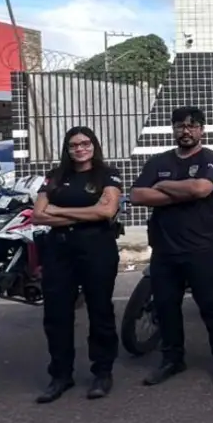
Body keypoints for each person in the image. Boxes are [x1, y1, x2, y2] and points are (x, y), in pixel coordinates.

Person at [129, 106, 213, 387]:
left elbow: (202, 189)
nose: (185, 131)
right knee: (166, 307)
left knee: (211, 306)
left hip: (201, 248)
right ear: (173, 129)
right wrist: (183, 191)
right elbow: (137, 195)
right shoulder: (158, 161)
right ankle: (172, 359)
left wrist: (162, 185)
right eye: (180, 126)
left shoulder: (212, 159)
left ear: (202, 130)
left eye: (192, 126)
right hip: (165, 248)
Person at [30, 126, 125, 402]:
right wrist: (87, 213)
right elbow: (38, 215)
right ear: (67, 149)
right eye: (73, 145)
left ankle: (102, 372)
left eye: (85, 143)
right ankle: (60, 375)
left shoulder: (107, 174)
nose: (79, 149)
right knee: (56, 315)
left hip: (97, 249)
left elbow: (106, 211)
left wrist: (58, 211)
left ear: (93, 145)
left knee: (100, 310)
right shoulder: (55, 176)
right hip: (59, 251)